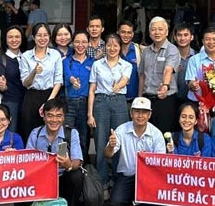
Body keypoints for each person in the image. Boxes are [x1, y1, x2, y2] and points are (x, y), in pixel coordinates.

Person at [102, 97, 166, 206]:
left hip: (149, 178)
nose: (140, 115)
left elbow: (161, 163)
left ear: (149, 114)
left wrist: (148, 159)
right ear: (131, 113)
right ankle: (134, 200)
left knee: (155, 188)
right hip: (128, 175)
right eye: (137, 111)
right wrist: (111, 145)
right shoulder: (121, 130)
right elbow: (108, 154)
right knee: (116, 202)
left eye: (144, 112)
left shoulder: (156, 134)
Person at [25, 97, 85, 206]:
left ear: (63, 117)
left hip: (63, 178)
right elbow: (27, 160)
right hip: (41, 179)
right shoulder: (35, 133)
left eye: (58, 116)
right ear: (44, 116)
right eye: (50, 115)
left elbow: (78, 160)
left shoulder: (71, 133)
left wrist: (69, 165)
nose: (54, 120)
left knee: (76, 175)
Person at [88, 33, 132, 192]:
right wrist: (90, 114)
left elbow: (125, 79)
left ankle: (118, 180)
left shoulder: (126, 65)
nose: (112, 48)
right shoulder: (97, 65)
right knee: (101, 142)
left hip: (119, 102)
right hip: (100, 103)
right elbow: (92, 90)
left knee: (119, 141)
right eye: (109, 45)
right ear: (104, 46)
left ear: (120, 47)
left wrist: (117, 86)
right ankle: (103, 183)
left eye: (115, 45)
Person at [164, 101, 212, 206]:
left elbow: (206, 167)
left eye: (191, 117)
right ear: (179, 118)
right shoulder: (172, 138)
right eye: (183, 116)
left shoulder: (204, 139)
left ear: (196, 121)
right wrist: (170, 153)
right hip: (177, 181)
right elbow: (168, 168)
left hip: (197, 182)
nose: (187, 120)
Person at [18, 23, 63, 141]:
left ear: (49, 36)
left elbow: (58, 81)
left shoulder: (55, 55)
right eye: (39, 35)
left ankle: (52, 158)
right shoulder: (26, 56)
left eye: (45, 35)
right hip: (31, 97)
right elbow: (25, 83)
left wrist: (49, 102)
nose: (42, 38)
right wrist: (33, 72)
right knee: (29, 131)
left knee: (52, 132)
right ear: (33, 37)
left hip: (50, 95)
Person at [139, 17, 179, 134]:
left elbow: (168, 70)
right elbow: (142, 76)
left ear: (166, 32)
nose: (157, 32)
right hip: (147, 99)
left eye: (160, 29)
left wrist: (165, 86)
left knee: (164, 135)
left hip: (165, 99)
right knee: (145, 134)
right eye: (154, 29)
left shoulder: (172, 50)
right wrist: (139, 97)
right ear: (149, 33)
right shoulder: (146, 51)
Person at [63, 31, 94, 162]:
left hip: (85, 104)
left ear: (88, 44)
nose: (80, 45)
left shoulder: (93, 62)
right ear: (72, 43)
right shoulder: (66, 61)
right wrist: (72, 81)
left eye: (84, 42)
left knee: (83, 138)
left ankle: (83, 168)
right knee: (66, 136)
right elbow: (67, 75)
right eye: (77, 42)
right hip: (69, 103)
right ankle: (64, 165)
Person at [0, 26, 26, 135]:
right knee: (10, 134)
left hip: (27, 102)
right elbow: (1, 84)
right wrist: (3, 87)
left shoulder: (28, 57)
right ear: (5, 39)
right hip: (10, 103)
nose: (14, 40)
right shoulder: (1, 60)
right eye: (10, 37)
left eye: (17, 37)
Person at [118, 21, 143, 112]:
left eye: (129, 32)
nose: (126, 35)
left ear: (132, 34)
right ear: (118, 32)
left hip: (135, 100)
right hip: (117, 99)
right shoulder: (113, 50)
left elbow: (142, 76)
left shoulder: (139, 50)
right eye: (123, 32)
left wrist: (140, 98)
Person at [173, 23, 196, 106]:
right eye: (179, 35)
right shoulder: (170, 56)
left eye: (186, 35)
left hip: (192, 100)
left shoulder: (197, 57)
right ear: (175, 37)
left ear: (191, 37)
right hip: (172, 99)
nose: (182, 38)